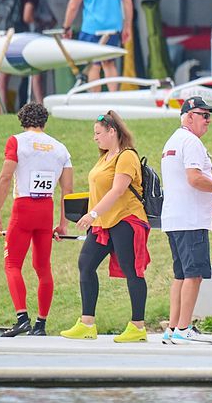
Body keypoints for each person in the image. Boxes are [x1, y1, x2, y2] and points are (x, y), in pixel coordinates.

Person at [61, 110, 152, 342]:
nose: (95, 137)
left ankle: (138, 326)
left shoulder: (127, 156)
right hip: (103, 222)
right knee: (86, 264)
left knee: (132, 270)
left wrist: (92, 213)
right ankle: (87, 323)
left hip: (125, 218)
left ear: (113, 132)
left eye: (98, 133)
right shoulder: (105, 157)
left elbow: (118, 190)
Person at [160, 96, 212, 344]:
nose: (208, 120)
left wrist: (211, 204)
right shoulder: (191, 142)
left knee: (181, 275)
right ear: (188, 116)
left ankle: (173, 328)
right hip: (191, 220)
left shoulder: (172, 141)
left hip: (175, 217)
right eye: (204, 115)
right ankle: (184, 329)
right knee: (193, 276)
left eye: (210, 115)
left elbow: (185, 183)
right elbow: (194, 179)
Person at [0, 102, 73, 337]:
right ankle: (41, 324)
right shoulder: (60, 148)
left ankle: (22, 318)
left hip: (23, 208)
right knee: (43, 267)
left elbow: (5, 177)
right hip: (45, 209)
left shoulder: (17, 141)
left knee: (12, 264)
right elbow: (68, 190)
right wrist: (64, 222)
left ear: (23, 121)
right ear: (44, 122)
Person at [0, 0, 44, 105]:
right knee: (35, 71)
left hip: (4, 35)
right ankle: (41, 105)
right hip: (21, 37)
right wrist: (40, 22)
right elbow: (27, 16)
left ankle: (3, 110)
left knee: (3, 75)